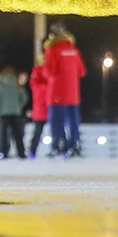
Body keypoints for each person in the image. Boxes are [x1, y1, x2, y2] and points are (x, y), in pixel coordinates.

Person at [44, 22, 87, 157]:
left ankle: (58, 144)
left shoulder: (53, 50)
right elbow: (81, 71)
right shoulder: (74, 50)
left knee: (56, 121)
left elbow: (49, 71)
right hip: (73, 93)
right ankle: (75, 144)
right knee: (73, 120)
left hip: (57, 92)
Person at [0, 66, 27, 159]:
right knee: (17, 134)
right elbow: (24, 97)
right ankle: (21, 152)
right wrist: (19, 106)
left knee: (3, 134)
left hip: (4, 113)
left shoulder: (1, 86)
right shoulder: (17, 85)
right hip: (15, 112)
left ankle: (3, 152)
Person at [27, 56, 49, 158]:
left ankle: (32, 150)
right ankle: (32, 150)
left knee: (38, 130)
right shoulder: (38, 71)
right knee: (38, 131)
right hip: (43, 105)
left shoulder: (41, 71)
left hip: (43, 106)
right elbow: (35, 87)